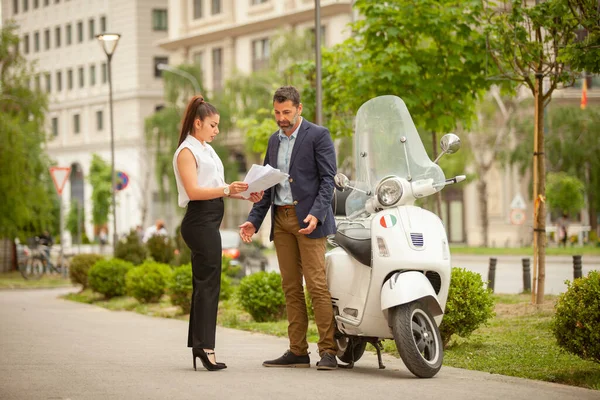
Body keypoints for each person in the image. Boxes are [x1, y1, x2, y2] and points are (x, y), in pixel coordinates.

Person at [239, 86, 338, 370]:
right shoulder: (273, 141)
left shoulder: (318, 135)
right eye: (277, 113)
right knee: (291, 287)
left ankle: (328, 351)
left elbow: (327, 180)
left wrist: (317, 215)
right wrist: (254, 220)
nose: (281, 118)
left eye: (286, 112)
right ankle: (297, 350)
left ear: (299, 109)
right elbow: (267, 184)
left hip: (308, 221)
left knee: (317, 287)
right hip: (281, 221)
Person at [173, 94, 263, 371]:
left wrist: (243, 194)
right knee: (208, 284)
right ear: (198, 123)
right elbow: (194, 192)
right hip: (198, 222)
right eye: (213, 125)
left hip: (209, 220)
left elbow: (216, 185)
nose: (217, 130)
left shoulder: (205, 149)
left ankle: (201, 345)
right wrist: (227, 189)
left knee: (207, 284)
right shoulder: (186, 152)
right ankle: (204, 347)